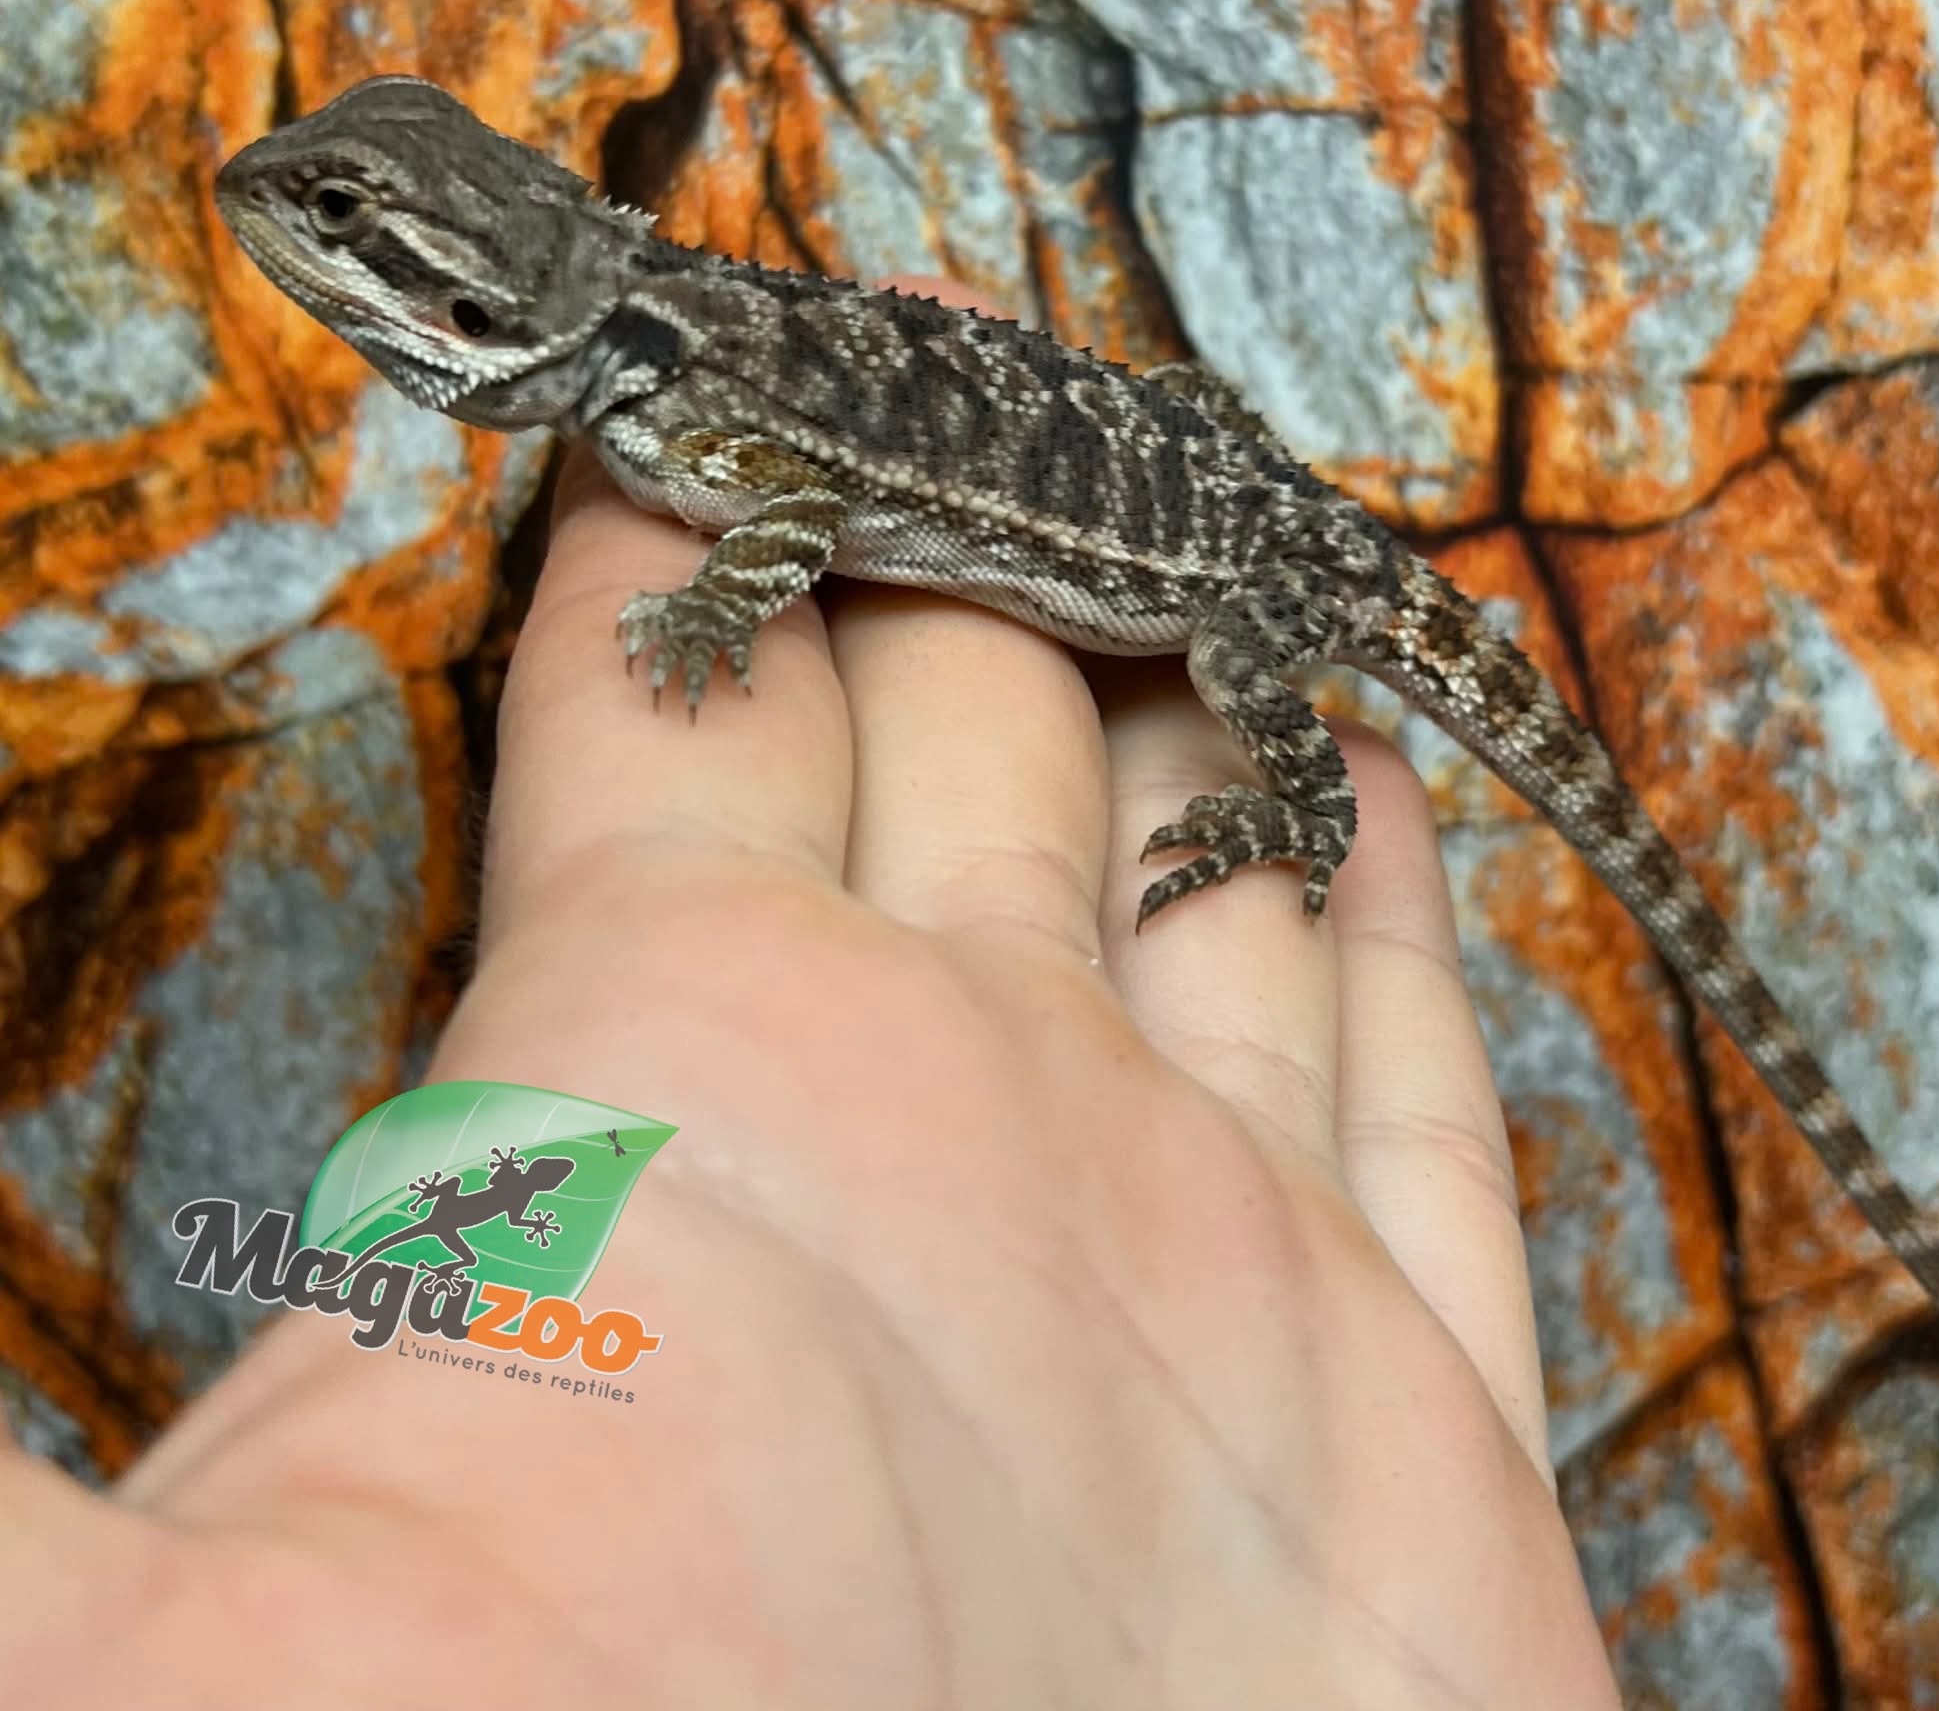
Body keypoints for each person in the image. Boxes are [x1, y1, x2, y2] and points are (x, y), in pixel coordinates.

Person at [0, 285, 1619, 1707]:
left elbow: (783, 521)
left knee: (1230, 673)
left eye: (358, 224)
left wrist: (714, 607)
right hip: (1209, 497)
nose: (322, 249)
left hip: (1234, 552)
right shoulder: (664, 388)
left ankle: (1311, 813)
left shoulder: (695, 419)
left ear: (484, 307)